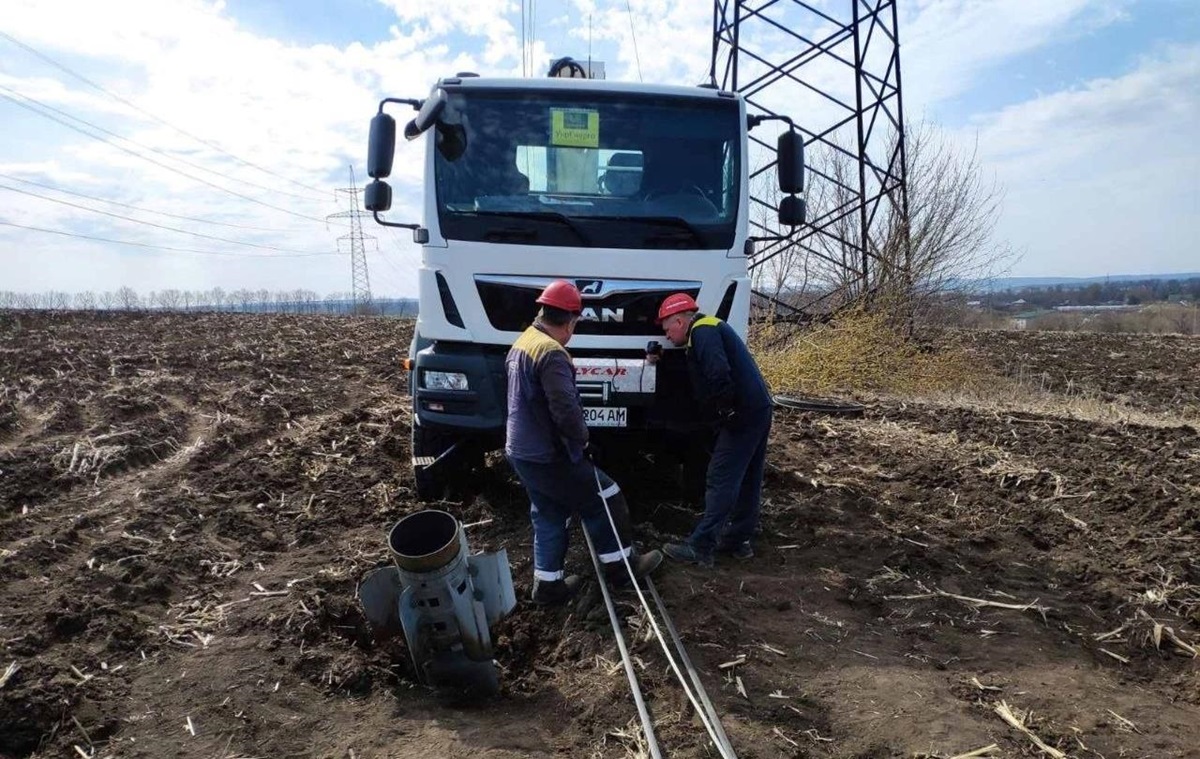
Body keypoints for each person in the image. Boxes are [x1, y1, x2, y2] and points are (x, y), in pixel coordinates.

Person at [506, 280, 663, 604]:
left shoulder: (524, 342)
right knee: (606, 497)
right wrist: (583, 440)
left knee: (550, 511)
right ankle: (623, 570)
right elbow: (564, 408)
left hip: (521, 452)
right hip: (548, 454)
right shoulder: (552, 353)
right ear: (571, 321)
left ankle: (548, 586)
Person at [654, 293, 773, 567]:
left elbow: (717, 372)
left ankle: (701, 547)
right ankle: (738, 541)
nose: (667, 336)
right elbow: (697, 368)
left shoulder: (703, 331)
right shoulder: (707, 329)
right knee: (748, 477)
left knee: (721, 476)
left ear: (680, 321)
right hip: (758, 408)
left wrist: (725, 412)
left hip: (742, 414)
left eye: (667, 329)